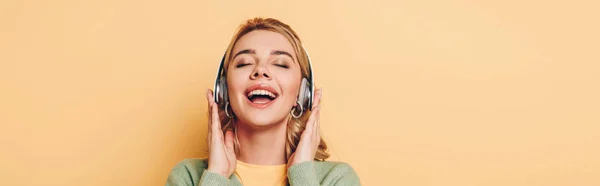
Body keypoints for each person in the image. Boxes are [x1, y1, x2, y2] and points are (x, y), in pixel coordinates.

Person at [165, 17, 361, 186]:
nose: (260, 70)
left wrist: (302, 175)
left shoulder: (336, 178)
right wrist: (216, 176)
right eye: (245, 63)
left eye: (280, 64)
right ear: (223, 90)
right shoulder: (188, 176)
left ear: (302, 93)